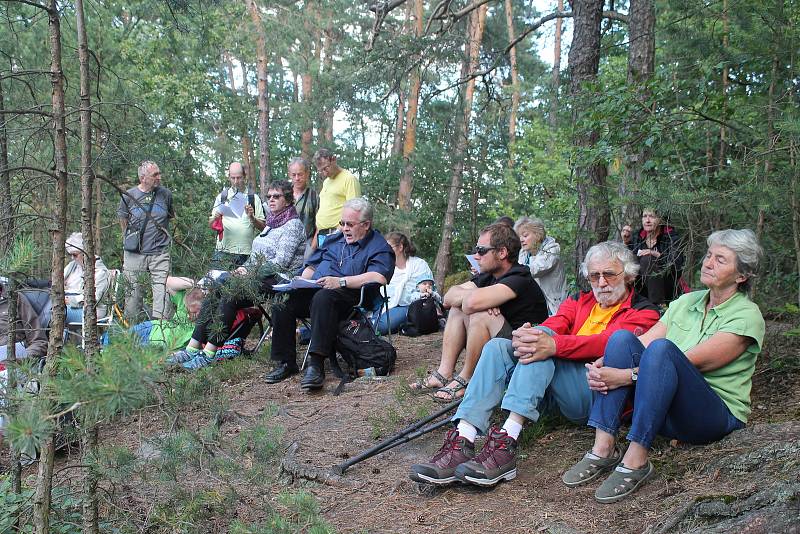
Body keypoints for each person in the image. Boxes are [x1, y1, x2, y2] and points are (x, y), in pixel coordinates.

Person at [409, 242, 660, 486]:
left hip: (594, 394)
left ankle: (508, 440)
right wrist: (528, 334)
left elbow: (602, 343)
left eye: (609, 274)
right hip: (552, 389)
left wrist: (551, 344)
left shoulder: (644, 312)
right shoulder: (580, 301)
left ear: (627, 275)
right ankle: (464, 437)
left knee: (542, 349)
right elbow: (556, 323)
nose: (601, 283)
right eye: (594, 276)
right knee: (499, 347)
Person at [562, 229, 764, 503]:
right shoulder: (686, 301)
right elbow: (643, 342)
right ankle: (603, 448)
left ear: (741, 275)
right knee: (622, 339)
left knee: (663, 351)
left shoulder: (747, 316)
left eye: (720, 259)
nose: (708, 263)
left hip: (711, 417)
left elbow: (691, 362)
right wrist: (605, 364)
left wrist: (624, 376)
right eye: (708, 255)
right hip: (666, 410)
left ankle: (636, 461)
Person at [170, 180, 306, 370]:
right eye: (269, 197)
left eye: (277, 196)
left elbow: (280, 263)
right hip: (257, 277)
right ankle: (193, 347)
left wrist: (248, 272)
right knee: (219, 285)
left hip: (279, 282)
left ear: (288, 199)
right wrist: (242, 269)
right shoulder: (272, 224)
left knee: (230, 292)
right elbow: (256, 257)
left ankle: (209, 353)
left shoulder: (292, 225)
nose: (271, 200)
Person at [264, 197, 394, 390]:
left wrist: (340, 281)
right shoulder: (335, 240)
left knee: (323, 297)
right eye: (342, 223)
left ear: (366, 225)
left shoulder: (378, 246)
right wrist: (298, 283)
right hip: (318, 289)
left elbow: (379, 277)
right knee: (284, 299)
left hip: (351, 295)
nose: (344, 228)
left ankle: (316, 365)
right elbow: (312, 265)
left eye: (350, 224)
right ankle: (286, 362)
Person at [410, 223, 548, 402]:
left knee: (481, 314)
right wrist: (477, 299)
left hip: (523, 354)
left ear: (502, 253)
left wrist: (475, 301)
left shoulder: (519, 277)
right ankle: (443, 373)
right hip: (500, 345)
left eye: (482, 250)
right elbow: (448, 299)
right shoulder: (489, 275)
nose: (476, 256)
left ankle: (467, 379)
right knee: (458, 310)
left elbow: (471, 304)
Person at [118, 161, 175, 321]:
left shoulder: (166, 195)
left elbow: (170, 217)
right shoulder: (128, 196)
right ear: (143, 178)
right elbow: (123, 220)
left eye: (159, 173)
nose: (159, 177)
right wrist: (130, 240)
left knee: (163, 297)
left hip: (160, 253)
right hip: (134, 254)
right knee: (133, 299)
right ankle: (133, 338)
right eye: (155, 175)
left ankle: (161, 338)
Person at [0, 279, 48, 449]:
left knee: (5, 381)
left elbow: (39, 341)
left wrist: (19, 358)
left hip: (16, 365)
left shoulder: (16, 299)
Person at [120, 276, 204, 351]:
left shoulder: (203, 325)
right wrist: (197, 285)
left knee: (127, 352)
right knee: (116, 338)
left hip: (159, 346)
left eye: (194, 312)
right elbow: (168, 282)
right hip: (151, 328)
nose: (189, 315)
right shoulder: (185, 303)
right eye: (188, 311)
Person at [209, 162, 266, 269]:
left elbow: (263, 227)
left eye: (239, 178)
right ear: (229, 177)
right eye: (233, 178)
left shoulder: (253, 198)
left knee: (242, 285)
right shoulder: (222, 196)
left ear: (244, 176)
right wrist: (215, 218)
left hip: (245, 253)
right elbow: (210, 224)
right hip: (222, 252)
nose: (236, 182)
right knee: (216, 283)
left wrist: (252, 217)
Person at [376, 232, 435, 335]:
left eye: (388, 247)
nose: (385, 250)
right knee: (367, 320)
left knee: (381, 326)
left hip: (413, 304)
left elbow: (428, 287)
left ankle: (408, 321)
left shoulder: (419, 265)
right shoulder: (387, 268)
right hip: (390, 304)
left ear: (400, 247)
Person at [631, 208, 684, 306]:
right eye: (644, 216)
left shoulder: (671, 237)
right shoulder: (637, 237)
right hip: (641, 288)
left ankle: (659, 306)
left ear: (661, 219)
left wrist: (657, 255)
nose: (647, 220)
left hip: (666, 288)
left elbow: (676, 266)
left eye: (652, 216)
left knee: (647, 259)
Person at [515, 217, 567, 316]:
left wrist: (511, 269)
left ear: (537, 235)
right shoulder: (524, 252)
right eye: (519, 236)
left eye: (525, 235)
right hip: (534, 302)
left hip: (553, 303)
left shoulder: (552, 249)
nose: (521, 240)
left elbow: (535, 269)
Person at [313, 148, 360, 248]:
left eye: (326, 168)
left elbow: (354, 210)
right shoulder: (326, 182)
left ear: (334, 159)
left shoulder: (349, 179)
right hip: (321, 235)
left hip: (338, 235)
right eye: (321, 171)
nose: (324, 173)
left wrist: (338, 231)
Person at [63, 231, 111, 325]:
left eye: (75, 255)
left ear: (85, 252)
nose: (72, 258)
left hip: (91, 312)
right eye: (70, 255)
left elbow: (94, 298)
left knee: (53, 313)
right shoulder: (73, 266)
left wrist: (70, 300)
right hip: (68, 306)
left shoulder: (100, 272)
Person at [288, 157, 319, 259]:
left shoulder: (314, 196)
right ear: (289, 175)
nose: (297, 178)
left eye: (300, 174)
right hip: (285, 244)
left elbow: (320, 225)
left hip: (306, 245)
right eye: (294, 175)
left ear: (307, 174)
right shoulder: (283, 194)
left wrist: (312, 248)